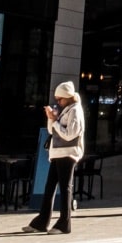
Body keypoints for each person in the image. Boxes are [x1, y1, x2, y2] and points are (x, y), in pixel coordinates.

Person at [29, 81, 83, 233]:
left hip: (68, 153)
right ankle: (42, 221)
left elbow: (69, 134)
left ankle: (64, 223)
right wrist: (51, 118)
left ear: (67, 97)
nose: (58, 102)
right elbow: (52, 131)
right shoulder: (66, 109)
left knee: (65, 187)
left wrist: (55, 122)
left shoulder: (75, 110)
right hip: (58, 153)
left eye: (60, 99)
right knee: (50, 187)